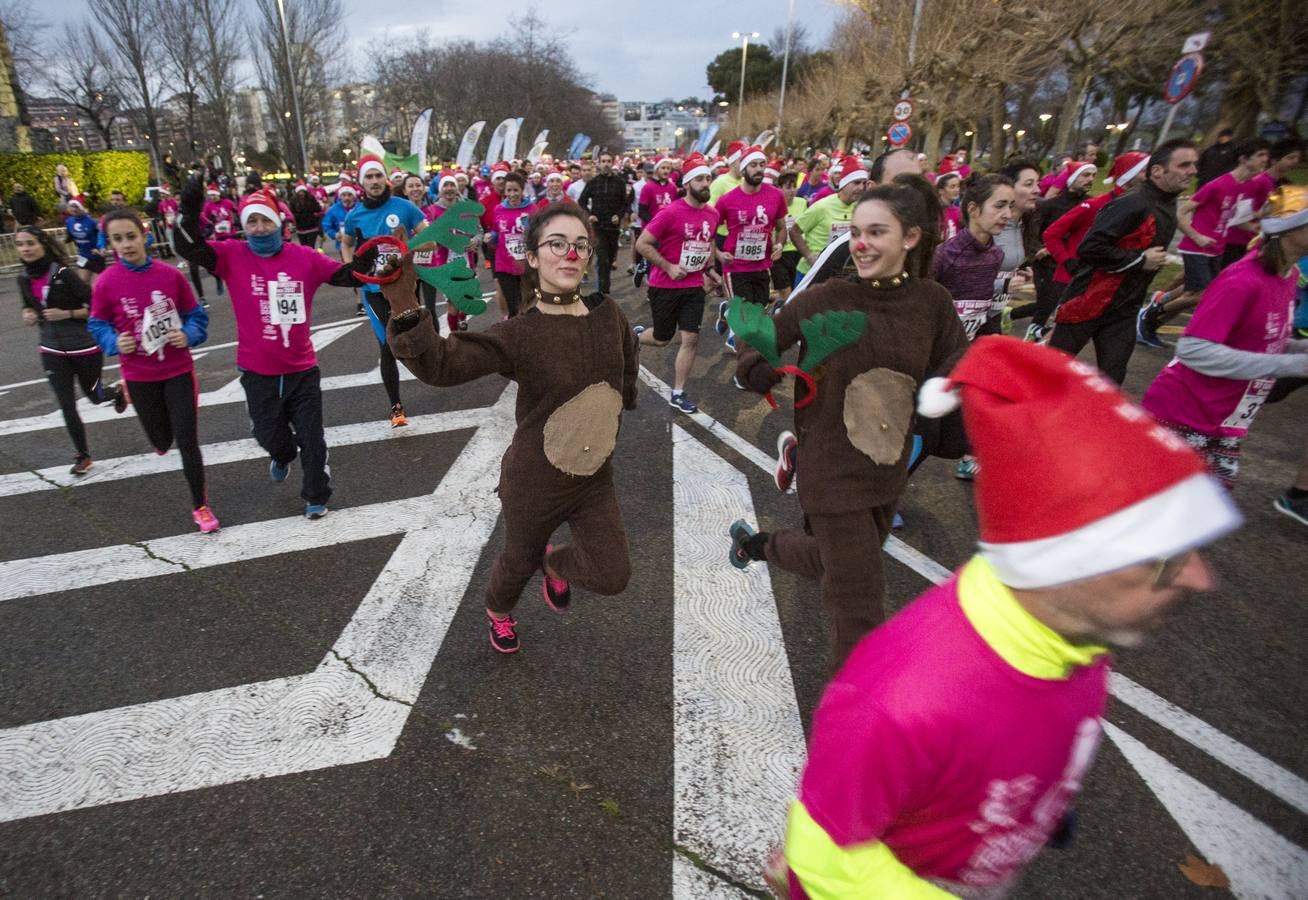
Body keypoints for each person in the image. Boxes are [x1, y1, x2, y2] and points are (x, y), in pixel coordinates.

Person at [772, 336, 1240, 900]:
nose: (1200, 578)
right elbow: (822, 856)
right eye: (1164, 559)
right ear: (1068, 563)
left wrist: (1040, 812)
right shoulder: (898, 698)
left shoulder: (1080, 637)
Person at [380, 202, 639, 654]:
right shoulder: (519, 333)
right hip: (535, 482)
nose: (570, 254)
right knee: (515, 566)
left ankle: (554, 567)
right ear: (533, 257)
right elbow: (441, 365)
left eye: (580, 245)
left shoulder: (609, 313)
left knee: (612, 574)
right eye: (556, 244)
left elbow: (627, 359)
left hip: (596, 477)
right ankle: (498, 612)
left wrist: (622, 401)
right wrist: (404, 307)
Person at [730, 184, 969, 669]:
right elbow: (756, 349)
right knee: (860, 606)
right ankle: (853, 728)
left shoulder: (932, 302)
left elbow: (958, 359)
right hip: (830, 465)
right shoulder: (826, 298)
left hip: (887, 467)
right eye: (856, 232)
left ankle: (756, 545)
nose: (861, 243)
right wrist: (762, 366)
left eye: (876, 232)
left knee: (832, 561)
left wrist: (949, 388)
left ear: (911, 238)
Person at [175, 178, 369, 519]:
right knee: (274, 439)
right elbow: (188, 247)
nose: (260, 228)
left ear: (279, 222)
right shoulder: (231, 255)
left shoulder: (305, 258)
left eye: (266, 220)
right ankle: (280, 454)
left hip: (301, 370)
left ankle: (316, 495)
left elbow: (346, 275)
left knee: (312, 437)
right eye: (252, 221)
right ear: (243, 225)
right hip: (257, 371)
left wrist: (378, 262)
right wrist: (189, 211)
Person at [1140, 186, 1308, 489]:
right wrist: (1291, 365)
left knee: (1200, 516)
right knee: (1159, 518)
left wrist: (1300, 350)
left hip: (1225, 422)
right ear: (1287, 228)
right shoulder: (1242, 281)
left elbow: (1264, 340)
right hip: (1183, 415)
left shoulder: (1289, 275)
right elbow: (1194, 350)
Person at [87, 209, 216, 532]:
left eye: (130, 236)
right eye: (117, 239)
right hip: (139, 375)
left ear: (144, 235)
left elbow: (196, 316)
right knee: (161, 440)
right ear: (110, 243)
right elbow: (97, 323)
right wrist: (114, 341)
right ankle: (127, 393)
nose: (126, 244)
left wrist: (188, 334)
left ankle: (200, 507)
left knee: (187, 439)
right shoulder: (106, 282)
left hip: (177, 370)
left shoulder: (170, 275)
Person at [1048, 139, 1197, 385]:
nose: (1192, 171)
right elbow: (1090, 247)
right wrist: (1140, 260)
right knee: (1048, 371)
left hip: (1124, 310)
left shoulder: (1169, 203)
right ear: (1158, 170)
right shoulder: (1132, 202)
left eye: (1193, 165)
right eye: (1184, 165)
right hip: (1089, 301)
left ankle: (1088, 422)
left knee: (1112, 381)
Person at [1137, 139, 1271, 349]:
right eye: (1261, 155)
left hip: (1216, 249)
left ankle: (1159, 301)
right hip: (1196, 248)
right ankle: (1151, 313)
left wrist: (1258, 226)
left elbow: (1234, 220)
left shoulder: (1244, 188)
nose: (1265, 160)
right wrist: (1197, 236)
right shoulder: (1218, 185)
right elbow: (1181, 212)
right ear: (1244, 159)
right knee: (1203, 294)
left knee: (1192, 289)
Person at [16, 225, 127, 475]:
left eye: (30, 243)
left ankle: (117, 391)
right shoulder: (23, 278)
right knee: (66, 403)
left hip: (84, 346)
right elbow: (28, 305)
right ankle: (83, 455)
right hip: (51, 349)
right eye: (21, 244)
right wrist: (28, 313)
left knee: (95, 397)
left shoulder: (63, 273)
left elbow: (96, 308)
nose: (26, 249)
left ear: (43, 244)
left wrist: (66, 313)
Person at [633, 152, 725, 414]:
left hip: (693, 287)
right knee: (662, 338)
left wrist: (710, 269)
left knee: (691, 339)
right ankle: (637, 336)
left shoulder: (712, 214)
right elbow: (642, 244)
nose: (706, 183)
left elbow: (707, 244)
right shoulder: (670, 212)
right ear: (687, 184)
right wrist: (668, 266)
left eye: (708, 178)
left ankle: (678, 392)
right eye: (700, 179)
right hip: (664, 285)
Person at [341, 153, 428, 427]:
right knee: (387, 345)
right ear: (361, 182)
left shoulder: (404, 207)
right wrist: (352, 270)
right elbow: (345, 243)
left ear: (386, 178)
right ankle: (396, 406)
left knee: (415, 335)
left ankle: (437, 371)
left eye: (378, 175)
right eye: (369, 177)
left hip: (403, 286)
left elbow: (429, 241)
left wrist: (404, 251)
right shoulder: (354, 215)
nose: (375, 181)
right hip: (374, 290)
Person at [1032, 152, 1151, 343]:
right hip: (1071, 279)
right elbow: (1050, 234)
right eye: (1144, 170)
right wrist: (1068, 261)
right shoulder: (1094, 205)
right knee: (1053, 333)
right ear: (1130, 174)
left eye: (1093, 176)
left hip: (1105, 286)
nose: (1150, 175)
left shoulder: (1141, 207)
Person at [712, 145, 789, 351]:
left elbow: (782, 228)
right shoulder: (727, 200)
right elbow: (708, 230)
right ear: (743, 169)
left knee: (758, 312)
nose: (759, 169)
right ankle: (744, 368)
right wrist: (718, 253)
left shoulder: (776, 195)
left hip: (762, 266)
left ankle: (728, 313)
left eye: (762, 164)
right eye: (753, 165)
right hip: (735, 267)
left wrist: (780, 243)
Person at [788, 155, 869, 284]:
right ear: (844, 183)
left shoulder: (859, 208)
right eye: (856, 183)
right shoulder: (822, 206)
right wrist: (810, 257)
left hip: (839, 275)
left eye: (864, 183)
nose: (861, 188)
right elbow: (794, 231)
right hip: (811, 272)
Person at [480, 171, 534, 319]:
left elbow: (538, 233)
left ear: (522, 190)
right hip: (504, 263)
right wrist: (491, 237)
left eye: (515, 190)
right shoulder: (499, 209)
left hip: (526, 264)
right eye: (508, 190)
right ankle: (515, 337)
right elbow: (497, 233)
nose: (512, 194)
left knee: (526, 303)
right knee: (513, 306)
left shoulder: (531, 209)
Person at [577, 151, 628, 299]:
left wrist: (618, 216)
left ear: (612, 163)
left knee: (610, 258)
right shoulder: (593, 182)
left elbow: (624, 204)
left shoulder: (620, 182)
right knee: (602, 259)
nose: (606, 164)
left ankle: (605, 285)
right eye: (603, 161)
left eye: (608, 161)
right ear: (599, 164)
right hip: (598, 226)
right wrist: (589, 215)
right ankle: (603, 293)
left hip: (613, 227)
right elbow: (582, 201)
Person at [634, 156, 677, 288]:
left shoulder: (672, 187)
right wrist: (657, 223)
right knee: (655, 259)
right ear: (657, 170)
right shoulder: (648, 187)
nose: (665, 171)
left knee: (664, 257)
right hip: (651, 229)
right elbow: (642, 212)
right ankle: (650, 281)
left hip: (667, 231)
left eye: (668, 168)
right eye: (663, 168)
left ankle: (645, 267)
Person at [289, 182, 323, 247]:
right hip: (300, 227)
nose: (302, 194)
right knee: (304, 247)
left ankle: (311, 257)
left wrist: (316, 207)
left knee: (311, 246)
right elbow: (291, 212)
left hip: (312, 227)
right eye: (300, 192)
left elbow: (318, 209)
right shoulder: (293, 200)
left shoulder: (311, 198)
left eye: (303, 192)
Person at [936, 171, 962, 241]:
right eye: (952, 186)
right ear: (941, 191)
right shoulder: (934, 210)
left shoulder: (958, 211)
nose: (957, 190)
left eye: (958, 186)